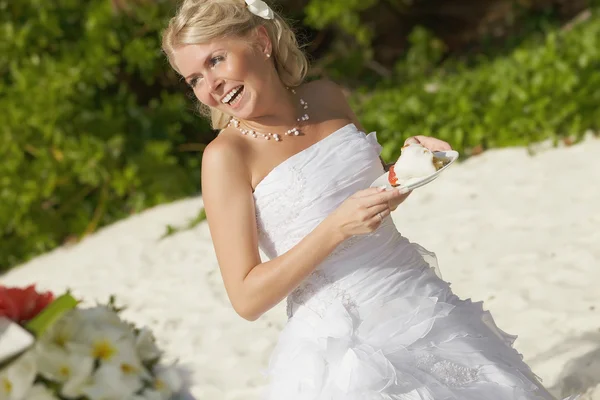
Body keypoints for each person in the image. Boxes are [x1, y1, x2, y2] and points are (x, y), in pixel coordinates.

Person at [161, 0, 580, 399]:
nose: (211, 86)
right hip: (348, 348)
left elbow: (371, 201)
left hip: (422, 302)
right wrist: (334, 229)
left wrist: (410, 168)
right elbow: (247, 299)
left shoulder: (327, 97)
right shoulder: (225, 157)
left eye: (216, 60)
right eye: (194, 78)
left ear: (261, 41)